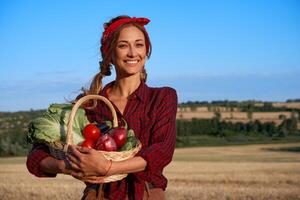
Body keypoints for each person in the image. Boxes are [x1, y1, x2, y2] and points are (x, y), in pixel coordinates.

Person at [26, 15, 178, 200]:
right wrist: (66, 166)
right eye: (123, 45)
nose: (132, 53)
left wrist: (107, 168)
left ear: (146, 51)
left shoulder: (162, 97)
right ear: (109, 54)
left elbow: (162, 151)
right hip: (97, 195)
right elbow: (36, 155)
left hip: (147, 194)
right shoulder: (90, 103)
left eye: (139, 44)